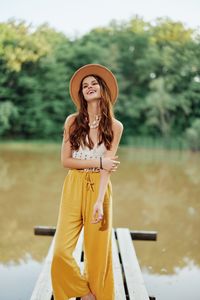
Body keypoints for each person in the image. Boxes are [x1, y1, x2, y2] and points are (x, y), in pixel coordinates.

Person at [51, 64, 124, 300]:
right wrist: (100, 162)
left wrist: (99, 201)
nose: (89, 87)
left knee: (98, 252)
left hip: (100, 190)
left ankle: (99, 295)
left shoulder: (115, 126)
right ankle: (83, 292)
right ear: (81, 94)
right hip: (73, 186)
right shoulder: (72, 122)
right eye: (85, 85)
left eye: (93, 83)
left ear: (102, 89)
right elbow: (66, 161)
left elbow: (108, 168)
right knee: (61, 251)